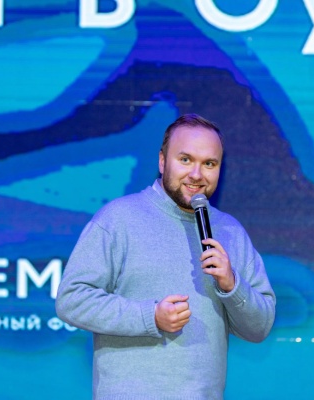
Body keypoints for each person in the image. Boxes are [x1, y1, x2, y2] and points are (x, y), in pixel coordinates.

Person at [55, 114, 276, 399]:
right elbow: (71, 300)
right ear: (162, 162)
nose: (196, 174)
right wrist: (151, 317)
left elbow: (260, 327)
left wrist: (232, 285)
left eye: (209, 164)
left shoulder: (230, 231)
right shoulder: (118, 219)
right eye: (185, 160)